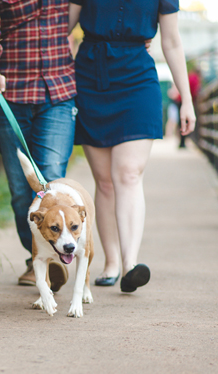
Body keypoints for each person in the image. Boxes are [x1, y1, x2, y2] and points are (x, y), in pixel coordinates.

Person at [67, 0, 196, 293]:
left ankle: (130, 265)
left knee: (127, 173)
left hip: (137, 78)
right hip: (91, 76)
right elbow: (62, 29)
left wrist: (186, 99)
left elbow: (172, 41)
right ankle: (111, 262)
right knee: (105, 182)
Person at [0, 0, 77, 290]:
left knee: (51, 178)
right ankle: (37, 258)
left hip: (58, 91)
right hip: (10, 94)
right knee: (21, 191)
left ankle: (54, 258)